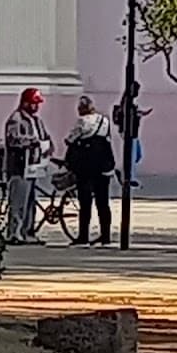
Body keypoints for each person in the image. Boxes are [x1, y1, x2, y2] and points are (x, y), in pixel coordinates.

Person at [65, 96, 117, 246]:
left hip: (86, 167)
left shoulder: (82, 121)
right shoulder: (104, 121)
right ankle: (105, 236)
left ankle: (83, 236)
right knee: (103, 202)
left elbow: (70, 139)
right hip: (103, 166)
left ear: (81, 109)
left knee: (85, 202)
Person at [4, 86, 52, 243]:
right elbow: (13, 140)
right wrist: (32, 142)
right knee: (18, 202)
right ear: (25, 103)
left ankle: (28, 232)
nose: (36, 107)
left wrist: (48, 145)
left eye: (37, 103)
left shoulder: (37, 120)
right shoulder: (16, 119)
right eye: (33, 103)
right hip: (19, 167)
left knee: (30, 202)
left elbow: (44, 136)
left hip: (33, 167)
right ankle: (14, 233)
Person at [112, 75, 151, 186]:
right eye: (137, 90)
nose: (138, 92)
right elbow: (128, 115)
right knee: (132, 156)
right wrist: (138, 114)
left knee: (137, 155)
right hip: (129, 132)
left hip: (133, 132)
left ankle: (126, 175)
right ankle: (129, 178)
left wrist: (141, 113)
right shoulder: (127, 102)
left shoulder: (128, 101)